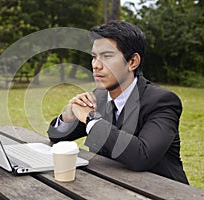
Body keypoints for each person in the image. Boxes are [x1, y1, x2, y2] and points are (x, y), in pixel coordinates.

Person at [47, 20, 189, 184]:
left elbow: (142, 156)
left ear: (133, 62)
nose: (96, 65)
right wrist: (69, 115)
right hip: (112, 187)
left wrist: (92, 119)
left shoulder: (162, 102)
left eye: (106, 56)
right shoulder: (98, 97)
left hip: (163, 191)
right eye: (94, 57)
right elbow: (55, 136)